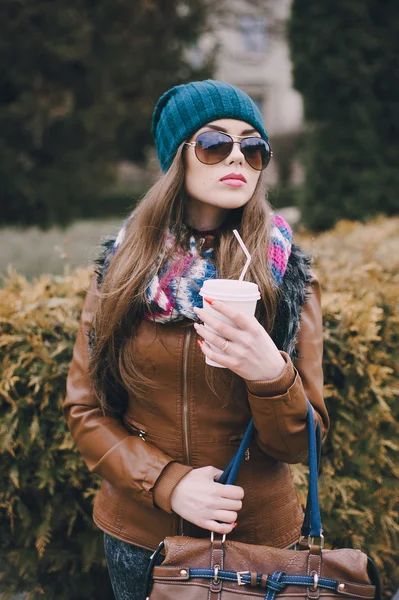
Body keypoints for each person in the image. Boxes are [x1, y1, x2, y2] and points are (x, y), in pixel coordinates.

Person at [63, 79, 329, 600]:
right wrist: (168, 482)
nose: (238, 158)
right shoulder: (120, 271)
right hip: (141, 539)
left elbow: (306, 443)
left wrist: (270, 376)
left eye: (253, 148)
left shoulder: (285, 274)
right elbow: (85, 413)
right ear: (177, 159)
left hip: (259, 543)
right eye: (214, 143)